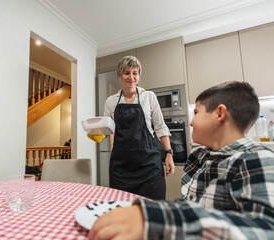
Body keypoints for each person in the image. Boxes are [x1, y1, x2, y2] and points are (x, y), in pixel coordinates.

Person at [89, 81, 274, 240]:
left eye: (196, 112)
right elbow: (193, 208)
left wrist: (155, 219)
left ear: (220, 114)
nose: (191, 122)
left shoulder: (258, 159)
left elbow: (266, 229)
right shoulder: (200, 157)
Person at [103, 56, 175, 200]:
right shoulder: (111, 101)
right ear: (119, 76)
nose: (131, 77)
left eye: (135, 73)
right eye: (126, 73)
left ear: (139, 76)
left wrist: (169, 153)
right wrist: (96, 132)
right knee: (123, 209)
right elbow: (107, 130)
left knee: (152, 209)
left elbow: (160, 126)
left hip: (149, 166)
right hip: (121, 167)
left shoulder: (148, 97)